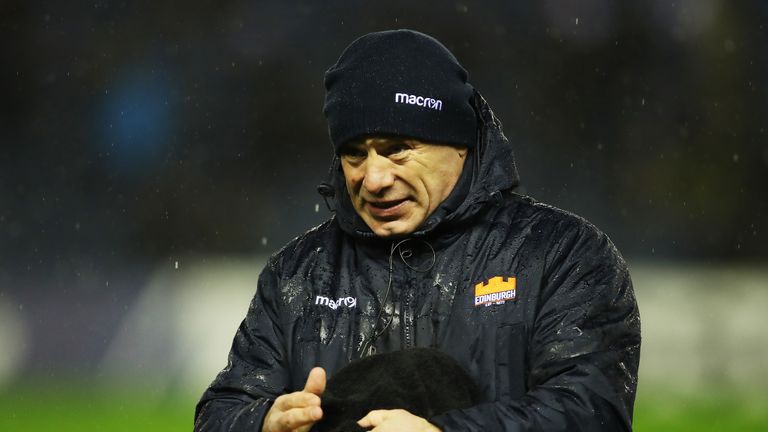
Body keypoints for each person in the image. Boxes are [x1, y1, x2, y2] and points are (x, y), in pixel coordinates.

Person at [195, 29, 641, 432]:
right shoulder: (295, 276)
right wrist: (262, 424)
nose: (372, 179)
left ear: (460, 145)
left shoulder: (564, 256)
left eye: (398, 149)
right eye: (354, 154)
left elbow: (590, 411)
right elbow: (221, 413)